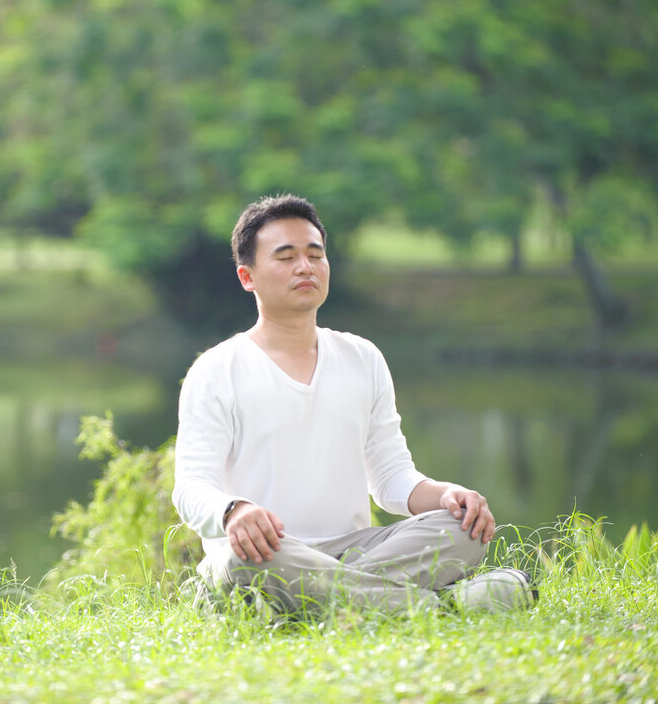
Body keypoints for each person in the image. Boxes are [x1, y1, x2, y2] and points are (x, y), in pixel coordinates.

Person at [172, 194, 534, 615]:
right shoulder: (217, 369)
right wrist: (233, 511)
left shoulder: (362, 357)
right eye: (286, 257)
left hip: (355, 549)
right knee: (241, 561)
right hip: (268, 553)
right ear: (247, 277)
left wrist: (447, 494)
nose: (305, 267)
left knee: (461, 529)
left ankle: (319, 603)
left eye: (315, 255)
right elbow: (191, 488)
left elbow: (391, 478)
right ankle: (442, 608)